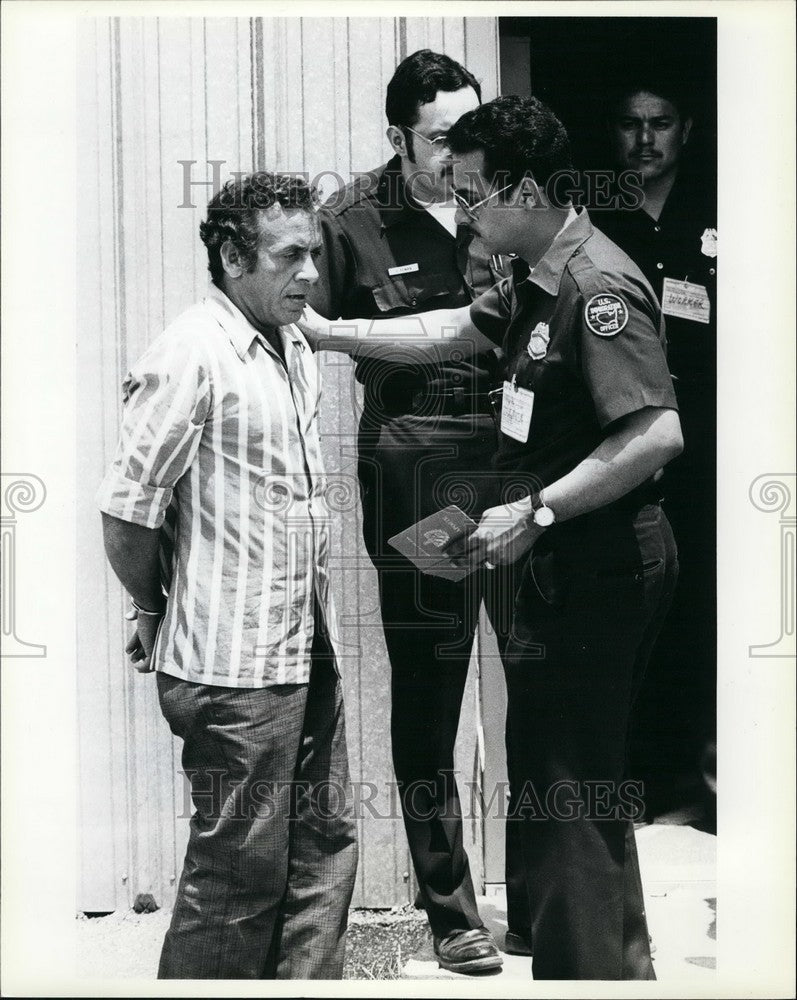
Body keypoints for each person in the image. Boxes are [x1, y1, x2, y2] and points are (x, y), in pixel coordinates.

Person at [300, 94, 683, 980]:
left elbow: (656, 433)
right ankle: (577, 954)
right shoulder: (534, 275)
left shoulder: (595, 289)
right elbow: (450, 333)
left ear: (520, 188)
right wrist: (328, 333)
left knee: (570, 787)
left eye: (474, 193)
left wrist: (536, 508)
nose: (463, 211)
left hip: (594, 564)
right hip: (544, 562)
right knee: (552, 778)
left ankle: (597, 973)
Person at [96, 172, 358, 979]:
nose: (309, 273)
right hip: (231, 667)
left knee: (322, 853)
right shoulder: (191, 353)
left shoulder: (290, 345)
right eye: (290, 256)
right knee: (237, 881)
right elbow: (127, 510)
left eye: (314, 253)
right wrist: (151, 608)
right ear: (232, 255)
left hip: (302, 648)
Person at [307, 49, 528, 972]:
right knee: (433, 684)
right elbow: (289, 327)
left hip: (522, 465)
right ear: (397, 136)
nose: (459, 153)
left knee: (537, 678)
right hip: (415, 467)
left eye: (469, 133)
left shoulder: (504, 201)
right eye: (441, 138)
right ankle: (452, 912)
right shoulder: (349, 219)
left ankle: (547, 894)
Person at [598, 78, 717, 813]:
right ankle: (631, 780)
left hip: (709, 445)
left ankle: (704, 786)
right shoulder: (596, 220)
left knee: (708, 609)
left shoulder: (720, 213)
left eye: (661, 123)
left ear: (687, 130)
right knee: (631, 607)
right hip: (626, 441)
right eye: (630, 124)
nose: (646, 139)